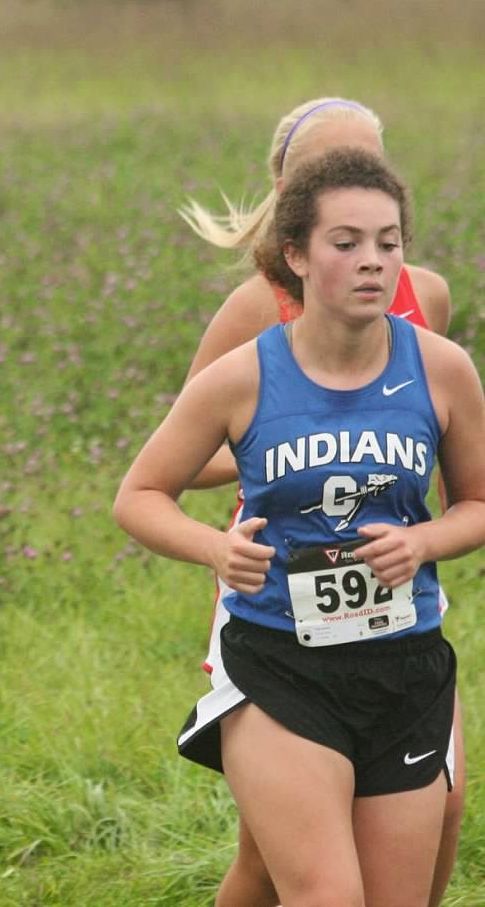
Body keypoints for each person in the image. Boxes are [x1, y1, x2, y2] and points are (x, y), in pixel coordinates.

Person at [115, 148, 485, 907]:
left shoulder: (443, 370)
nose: (373, 262)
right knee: (326, 896)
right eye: (345, 243)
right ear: (297, 256)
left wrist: (421, 542)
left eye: (389, 243)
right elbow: (141, 494)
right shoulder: (243, 377)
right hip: (281, 667)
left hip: (404, 668)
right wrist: (215, 548)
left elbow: (478, 505)